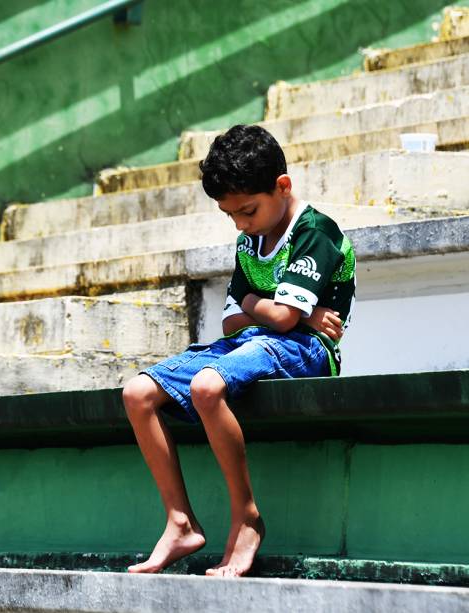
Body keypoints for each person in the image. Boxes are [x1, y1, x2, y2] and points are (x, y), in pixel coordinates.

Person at [122, 124, 356, 577]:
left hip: (308, 350)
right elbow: (233, 320)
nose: (240, 224)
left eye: (247, 210)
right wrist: (279, 308)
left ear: (282, 186)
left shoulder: (315, 231)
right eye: (231, 216)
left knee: (208, 386)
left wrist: (277, 311)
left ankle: (246, 517)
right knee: (137, 393)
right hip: (251, 342)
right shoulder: (250, 239)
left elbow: (286, 323)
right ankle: (180, 522)